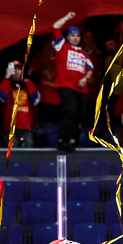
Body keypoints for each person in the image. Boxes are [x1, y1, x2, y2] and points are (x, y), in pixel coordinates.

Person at [47, 12, 95, 149]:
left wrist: (85, 79)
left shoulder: (84, 53)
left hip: (82, 89)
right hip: (66, 85)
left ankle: (74, 140)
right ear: (68, 37)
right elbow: (55, 27)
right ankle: (63, 140)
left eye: (77, 36)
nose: (75, 38)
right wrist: (67, 17)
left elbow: (90, 69)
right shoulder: (62, 46)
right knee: (70, 112)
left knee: (80, 115)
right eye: (72, 35)